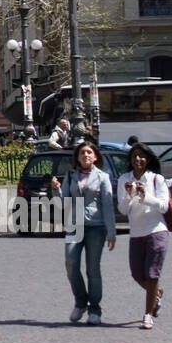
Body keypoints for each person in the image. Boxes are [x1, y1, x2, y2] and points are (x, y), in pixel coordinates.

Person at [51, 139, 116, 325]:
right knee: (71, 264)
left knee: (93, 269)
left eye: (89, 152)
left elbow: (107, 205)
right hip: (74, 225)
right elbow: (62, 203)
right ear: (78, 158)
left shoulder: (102, 177)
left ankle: (95, 308)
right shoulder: (71, 176)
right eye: (82, 153)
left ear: (95, 157)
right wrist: (56, 190)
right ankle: (81, 302)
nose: (85, 155)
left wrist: (111, 233)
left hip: (96, 227)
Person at [117, 143, 170, 330]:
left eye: (141, 156)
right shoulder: (124, 179)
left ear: (147, 159)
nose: (138, 160)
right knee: (137, 274)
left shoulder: (157, 179)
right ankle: (157, 294)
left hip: (156, 231)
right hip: (136, 233)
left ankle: (148, 315)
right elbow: (123, 209)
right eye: (134, 156)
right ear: (130, 160)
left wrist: (145, 195)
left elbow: (163, 206)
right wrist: (129, 194)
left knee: (152, 273)